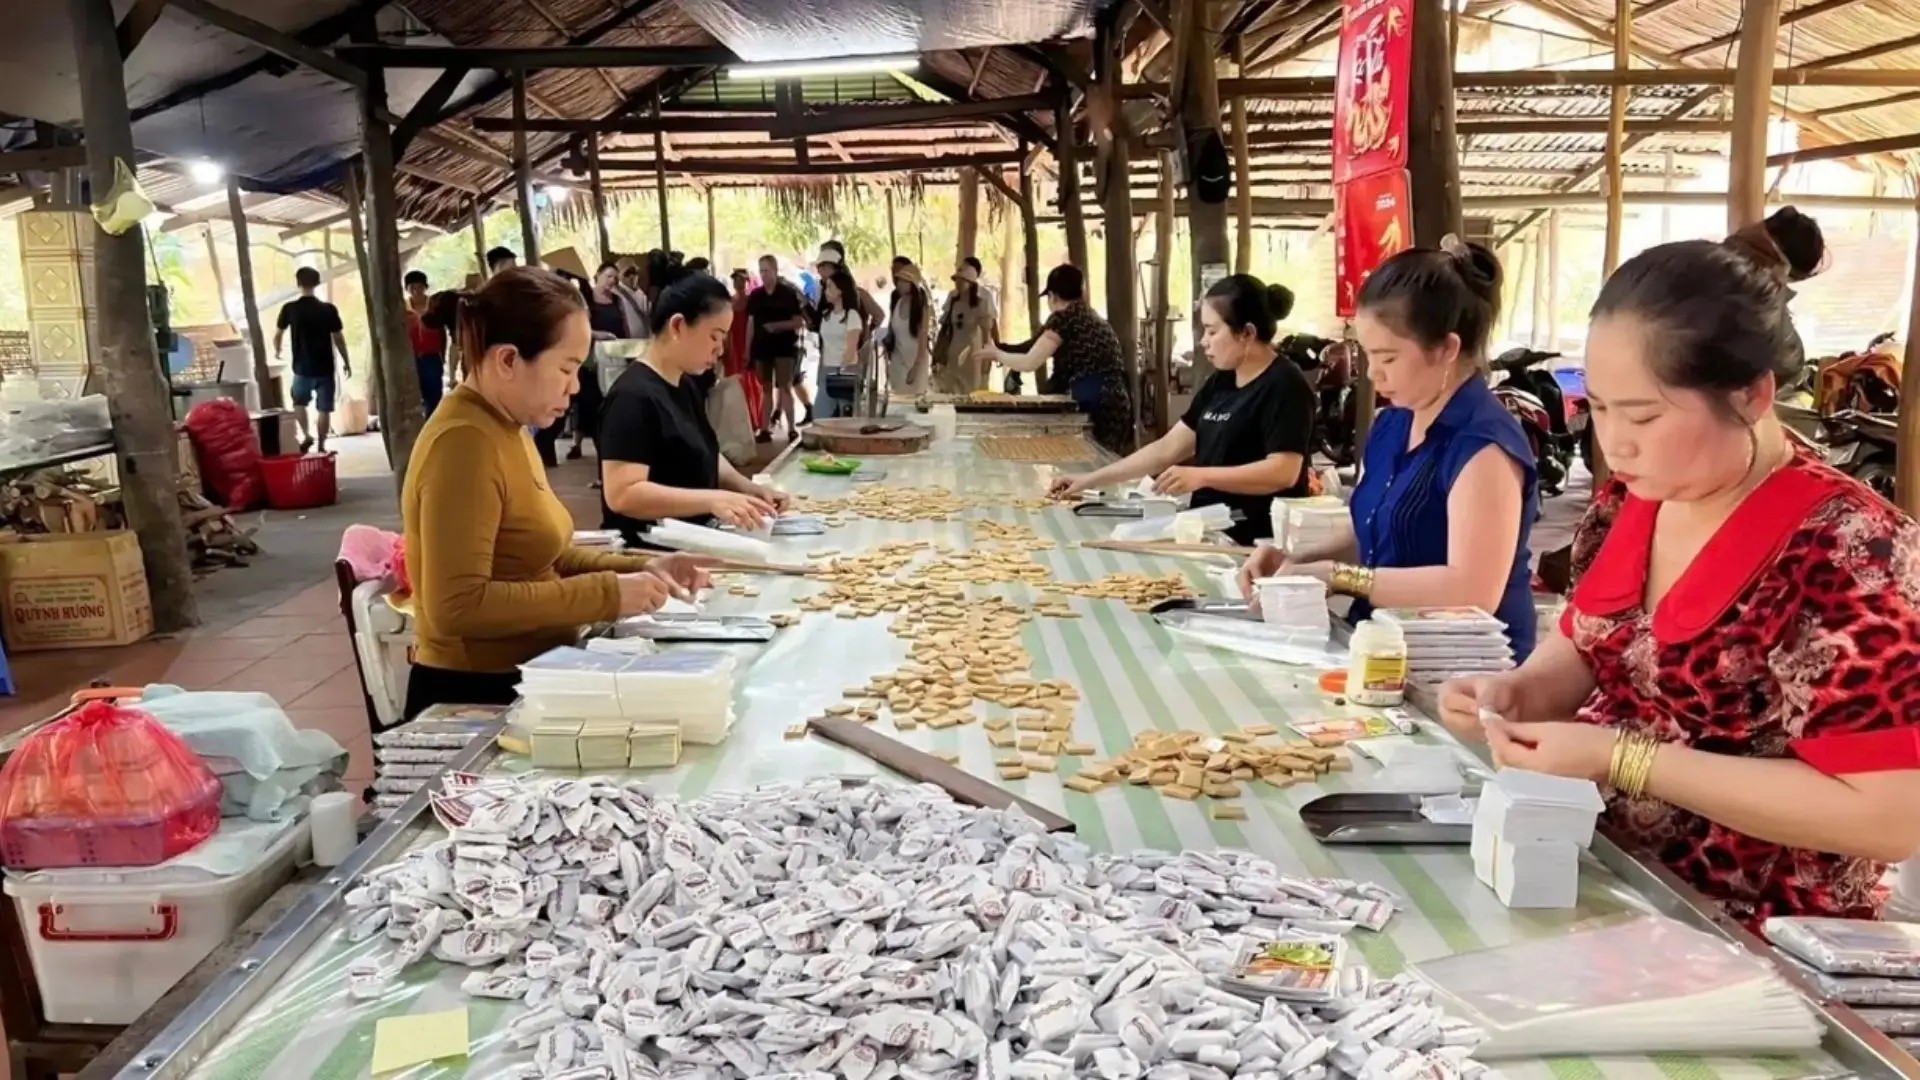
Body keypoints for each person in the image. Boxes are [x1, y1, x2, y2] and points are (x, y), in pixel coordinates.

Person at [1436, 220, 1920, 930]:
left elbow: (1888, 815)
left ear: (1752, 396)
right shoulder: (1634, 497)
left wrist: (1625, 758)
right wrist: (1522, 692)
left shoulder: (1853, 550)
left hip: (1755, 930)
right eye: (1600, 409)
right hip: (1598, 874)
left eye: (1643, 416)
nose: (1615, 443)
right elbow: (1592, 640)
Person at [399, 268, 711, 719]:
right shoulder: (463, 443)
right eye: (565, 368)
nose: (575, 386)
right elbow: (458, 606)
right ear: (508, 360)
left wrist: (642, 567)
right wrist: (607, 594)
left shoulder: (507, 424)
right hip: (477, 695)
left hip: (530, 675)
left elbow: (547, 557)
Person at [1238, 239, 1538, 656]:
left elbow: (1472, 590)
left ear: (1447, 349)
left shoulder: (1483, 446)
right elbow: (1381, 533)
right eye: (1368, 355)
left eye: (1388, 358)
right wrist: (1296, 562)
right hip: (1381, 645)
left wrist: (1339, 576)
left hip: (1464, 667)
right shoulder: (1394, 423)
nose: (1373, 374)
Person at [1053, 276, 1312, 545]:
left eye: (1212, 332)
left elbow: (1283, 471)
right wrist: (1089, 480)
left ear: (1247, 333)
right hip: (1208, 529)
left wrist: (1201, 476)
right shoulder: (1222, 380)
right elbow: (1167, 449)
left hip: (1254, 543)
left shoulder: (1284, 384)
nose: (1203, 341)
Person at [599, 274, 790, 545]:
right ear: (678, 326)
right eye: (715, 337)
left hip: (692, 542)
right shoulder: (631, 397)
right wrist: (713, 499)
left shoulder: (685, 384)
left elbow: (704, 452)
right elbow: (623, 495)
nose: (720, 350)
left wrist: (748, 489)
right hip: (649, 554)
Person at [983, 264, 1134, 455]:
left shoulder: (1062, 319)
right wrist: (1001, 349)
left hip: (1096, 403)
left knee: (1089, 464)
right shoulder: (1094, 318)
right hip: (1119, 402)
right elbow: (1034, 344)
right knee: (1108, 463)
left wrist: (997, 354)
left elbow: (1030, 362)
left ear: (1052, 296)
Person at [273, 266, 351, 454]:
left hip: (301, 368)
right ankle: (322, 445)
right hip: (325, 368)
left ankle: (307, 435)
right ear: (317, 283)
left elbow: (278, 335)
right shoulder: (328, 309)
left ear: (298, 283)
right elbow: (339, 338)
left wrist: (277, 351)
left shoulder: (290, 309)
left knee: (299, 403)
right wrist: (346, 360)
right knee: (324, 409)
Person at [744, 254, 806, 440]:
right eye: (761, 271)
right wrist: (747, 350)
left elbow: (798, 321)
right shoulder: (756, 295)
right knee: (766, 388)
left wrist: (777, 326)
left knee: (785, 386)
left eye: (767, 270)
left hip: (784, 347)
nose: (763, 274)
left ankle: (791, 428)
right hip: (762, 347)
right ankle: (764, 429)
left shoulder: (788, 293)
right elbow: (750, 324)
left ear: (775, 271)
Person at [934, 257, 1000, 394]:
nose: (958, 284)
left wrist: (988, 359)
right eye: (956, 280)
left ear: (970, 282)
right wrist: (938, 351)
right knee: (952, 391)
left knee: (972, 392)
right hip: (953, 352)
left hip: (972, 355)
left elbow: (988, 332)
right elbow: (945, 327)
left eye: (962, 280)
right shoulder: (953, 299)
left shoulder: (982, 300)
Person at [816, 268, 867, 420]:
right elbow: (825, 346)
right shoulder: (826, 316)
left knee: (845, 413)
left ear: (840, 290)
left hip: (845, 371)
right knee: (820, 414)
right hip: (827, 368)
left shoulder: (852, 316)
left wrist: (842, 368)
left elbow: (851, 348)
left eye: (830, 287)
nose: (826, 291)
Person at [884, 258, 933, 397]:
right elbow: (892, 331)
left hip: (915, 359)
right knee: (898, 396)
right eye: (899, 280)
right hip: (898, 358)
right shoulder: (897, 302)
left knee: (914, 397)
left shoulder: (920, 307)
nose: (899, 284)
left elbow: (923, 336)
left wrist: (916, 366)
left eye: (904, 281)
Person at [403, 270, 446, 416]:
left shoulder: (433, 305)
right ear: (407, 289)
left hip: (431, 357)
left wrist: (443, 355)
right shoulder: (403, 308)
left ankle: (433, 423)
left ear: (425, 287)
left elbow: (442, 332)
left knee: (434, 397)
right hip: (411, 358)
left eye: (419, 287)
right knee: (414, 397)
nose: (416, 291)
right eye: (412, 287)